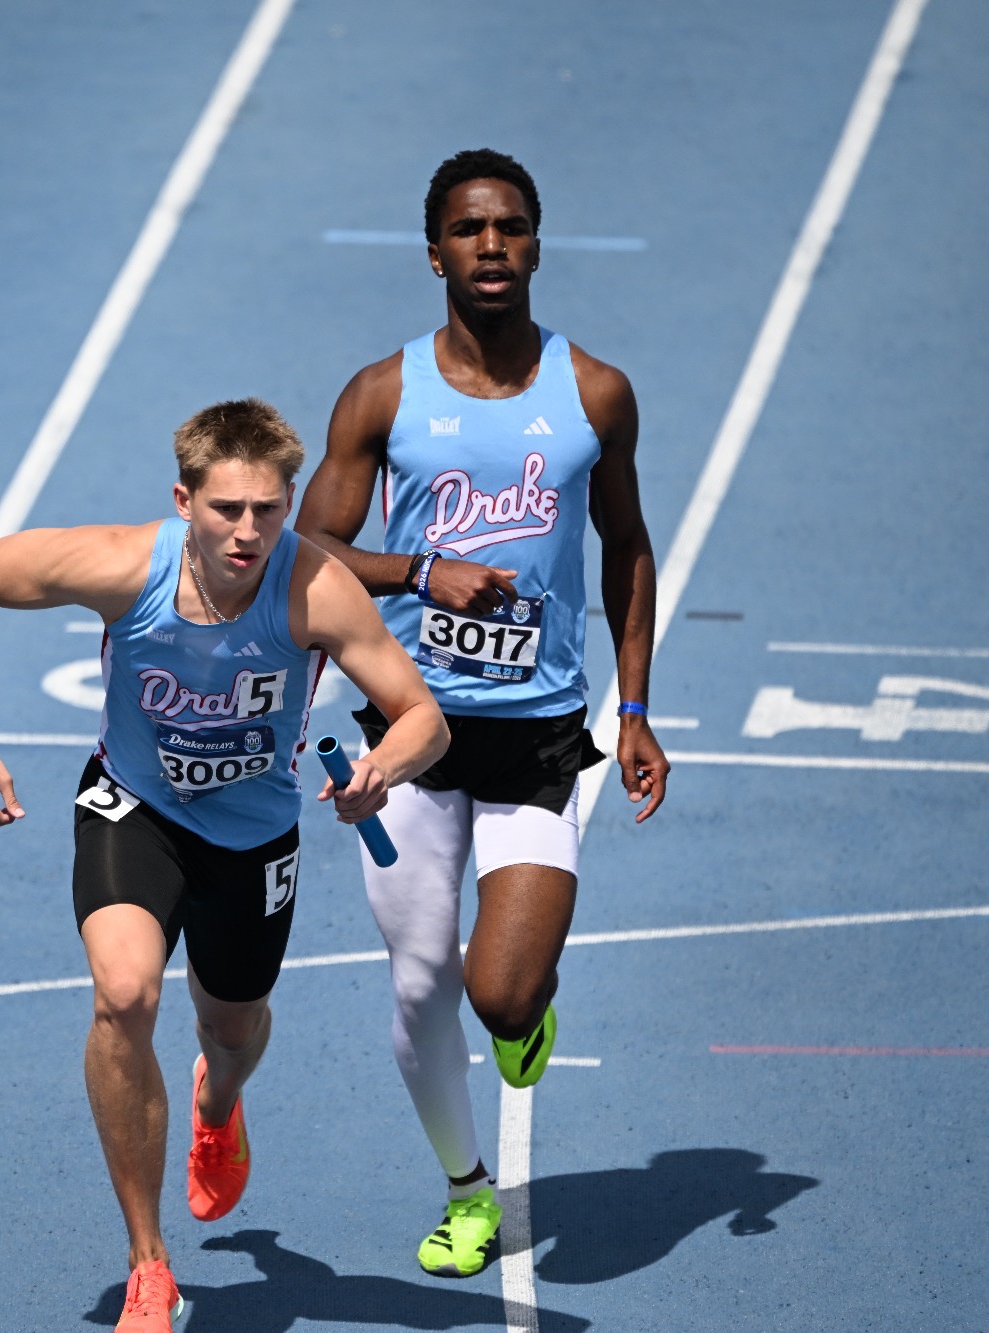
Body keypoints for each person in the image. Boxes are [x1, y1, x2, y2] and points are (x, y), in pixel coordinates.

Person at [0, 398, 448, 1332]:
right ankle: (149, 1261)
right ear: (184, 501)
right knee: (124, 995)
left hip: (252, 838)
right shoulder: (125, 565)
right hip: (136, 807)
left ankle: (220, 1101)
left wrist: (381, 769)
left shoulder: (317, 590)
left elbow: (424, 716)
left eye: (267, 509)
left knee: (233, 1028)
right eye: (226, 510)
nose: (248, 531)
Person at [294, 148, 671, 1279]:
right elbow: (303, 550)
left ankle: (524, 1010)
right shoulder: (382, 394)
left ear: (536, 245)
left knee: (499, 992)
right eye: (468, 230)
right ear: (433, 253)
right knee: (418, 983)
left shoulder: (593, 393)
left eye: (509, 226)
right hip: (407, 730)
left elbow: (626, 547)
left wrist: (637, 704)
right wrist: (418, 572)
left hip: (539, 732)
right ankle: (467, 1190)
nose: (491, 245)